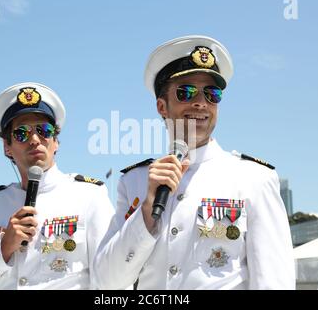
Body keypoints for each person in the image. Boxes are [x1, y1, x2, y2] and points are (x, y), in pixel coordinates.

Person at [93, 35, 295, 289]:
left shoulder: (254, 179)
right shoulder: (134, 181)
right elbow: (106, 283)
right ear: (161, 106)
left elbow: (274, 280)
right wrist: (145, 212)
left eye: (212, 94)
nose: (200, 102)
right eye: (186, 92)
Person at [0, 82, 114, 289]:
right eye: (21, 133)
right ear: (7, 147)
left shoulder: (89, 195)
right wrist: (2, 249)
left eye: (44, 130)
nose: (35, 139)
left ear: (56, 142)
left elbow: (112, 279)